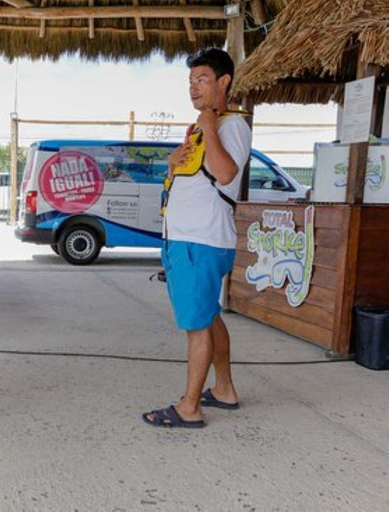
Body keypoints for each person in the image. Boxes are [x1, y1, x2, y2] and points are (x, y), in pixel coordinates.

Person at [143, 48, 252, 429]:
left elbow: (225, 175)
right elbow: (191, 176)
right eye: (190, 81)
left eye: (201, 79)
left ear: (223, 82)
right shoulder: (203, 127)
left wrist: (208, 126)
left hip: (201, 239)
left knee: (197, 325)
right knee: (208, 316)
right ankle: (223, 389)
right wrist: (174, 162)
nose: (193, 88)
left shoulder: (231, 125)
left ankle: (189, 406)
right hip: (186, 238)